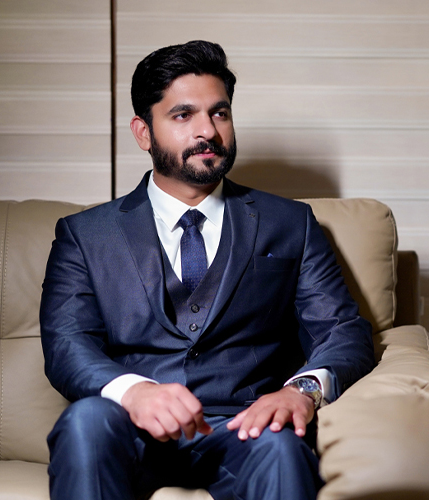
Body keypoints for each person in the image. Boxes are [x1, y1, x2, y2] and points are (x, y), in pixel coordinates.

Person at [40, 40, 375, 500]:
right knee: (85, 421)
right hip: (129, 425)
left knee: (282, 444)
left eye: (219, 113)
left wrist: (300, 391)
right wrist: (134, 392)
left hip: (246, 426)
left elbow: (343, 331)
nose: (208, 132)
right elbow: (66, 343)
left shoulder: (290, 222)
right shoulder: (85, 234)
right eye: (183, 115)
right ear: (143, 133)